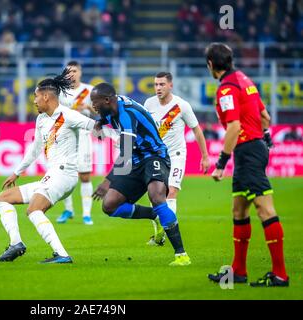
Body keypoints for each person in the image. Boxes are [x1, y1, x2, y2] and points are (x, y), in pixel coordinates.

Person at [205, 43, 288, 287]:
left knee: (265, 210)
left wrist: (221, 162)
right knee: (239, 210)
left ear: (211, 64)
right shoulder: (243, 79)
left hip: (248, 151)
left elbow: (234, 127)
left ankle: (280, 275)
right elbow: (265, 117)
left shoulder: (227, 89)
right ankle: (238, 271)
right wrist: (267, 136)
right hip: (253, 149)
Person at [0, 69, 97, 264]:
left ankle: (62, 254)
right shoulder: (41, 119)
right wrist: (16, 172)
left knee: (34, 210)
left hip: (64, 175)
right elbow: (35, 149)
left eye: (35, 96)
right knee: (3, 198)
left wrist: (124, 141)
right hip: (52, 176)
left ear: (46, 96)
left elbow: (95, 127)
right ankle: (16, 243)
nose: (34, 101)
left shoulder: (68, 115)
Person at [91, 83, 191, 266]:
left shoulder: (127, 113)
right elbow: (105, 120)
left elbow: (126, 151)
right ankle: (155, 215)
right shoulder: (110, 107)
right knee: (110, 206)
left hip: (154, 156)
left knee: (157, 196)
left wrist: (107, 181)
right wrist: (99, 122)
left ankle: (181, 255)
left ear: (106, 100)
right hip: (135, 161)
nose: (93, 106)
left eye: (95, 102)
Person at [144, 71, 210, 246]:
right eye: (156, 84)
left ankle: (168, 234)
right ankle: (158, 232)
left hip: (176, 155)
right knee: (155, 196)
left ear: (170, 85)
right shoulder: (149, 104)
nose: (158, 88)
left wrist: (205, 156)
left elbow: (196, 130)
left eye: (162, 84)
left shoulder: (181, 105)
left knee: (171, 192)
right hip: (156, 156)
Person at [57, 61, 95, 225]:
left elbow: (100, 111)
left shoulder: (89, 90)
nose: (71, 74)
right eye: (69, 71)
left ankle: (87, 214)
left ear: (80, 72)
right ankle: (68, 210)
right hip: (66, 136)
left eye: (74, 71)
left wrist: (89, 107)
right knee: (64, 173)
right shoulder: (60, 92)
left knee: (84, 176)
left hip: (84, 134)